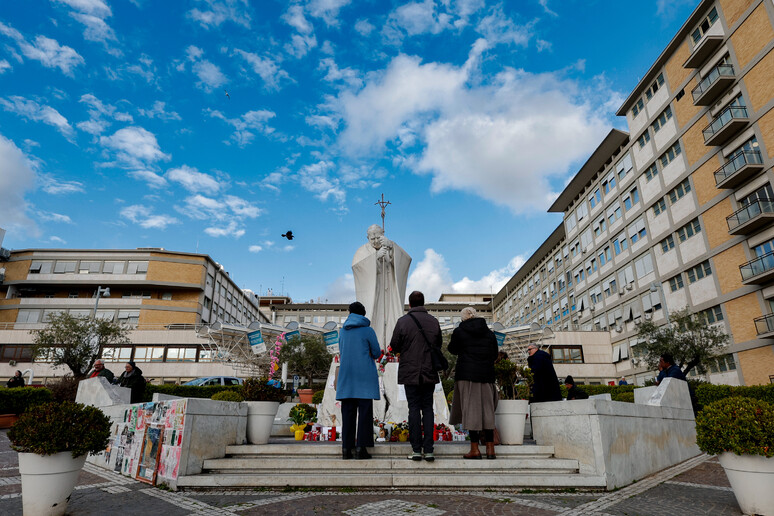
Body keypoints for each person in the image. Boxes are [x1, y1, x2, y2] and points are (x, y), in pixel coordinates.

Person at [389, 291, 441, 462]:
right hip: (428, 370)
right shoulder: (433, 321)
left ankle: (416, 450)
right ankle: (430, 450)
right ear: (423, 303)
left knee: (413, 409)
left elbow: (394, 344)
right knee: (427, 409)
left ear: (409, 305)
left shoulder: (402, 322)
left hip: (410, 371)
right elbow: (438, 344)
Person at [448, 307, 499, 460]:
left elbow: (452, 349)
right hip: (486, 375)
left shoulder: (459, 331)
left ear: (463, 318)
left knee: (471, 412)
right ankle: (490, 449)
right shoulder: (489, 334)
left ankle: (475, 449)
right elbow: (495, 354)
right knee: (487, 412)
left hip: (467, 375)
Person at [352, 224, 412, 349]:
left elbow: (406, 260)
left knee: (391, 316)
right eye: (372, 239)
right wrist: (375, 258)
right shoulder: (362, 251)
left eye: (378, 237)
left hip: (389, 290)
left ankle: (392, 347)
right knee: (373, 317)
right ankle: (374, 346)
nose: (375, 241)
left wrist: (392, 249)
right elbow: (357, 268)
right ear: (367, 238)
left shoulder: (390, 245)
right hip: (373, 292)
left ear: (383, 234)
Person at [336, 301, 381, 460]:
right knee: (364, 414)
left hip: (347, 377)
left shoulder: (342, 331)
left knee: (347, 414)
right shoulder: (368, 330)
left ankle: (346, 449)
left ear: (350, 313)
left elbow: (342, 351)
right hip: (365, 378)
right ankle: (361, 449)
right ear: (363, 314)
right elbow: (376, 352)